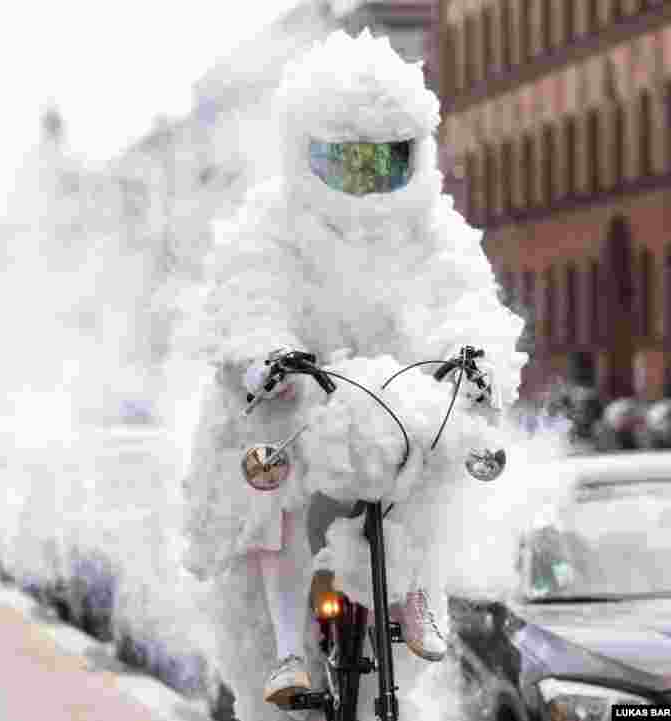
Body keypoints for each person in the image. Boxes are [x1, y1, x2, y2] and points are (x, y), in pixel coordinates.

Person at [177, 29, 526, 720]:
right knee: (265, 494)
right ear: (306, 152)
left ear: (413, 155)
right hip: (296, 402)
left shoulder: (435, 230)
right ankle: (281, 644)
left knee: (437, 458)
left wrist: (476, 357)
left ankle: (420, 592)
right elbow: (250, 292)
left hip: (396, 403)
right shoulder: (270, 222)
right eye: (346, 163)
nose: (365, 182)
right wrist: (265, 353)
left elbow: (467, 299)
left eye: (382, 163)